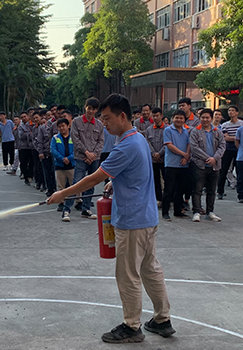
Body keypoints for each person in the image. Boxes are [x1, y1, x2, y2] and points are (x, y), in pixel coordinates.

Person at [47, 94, 174, 344]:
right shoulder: (137, 138)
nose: (103, 123)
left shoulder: (126, 145)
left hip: (132, 219)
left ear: (122, 116)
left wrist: (63, 193)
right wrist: (114, 182)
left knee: (128, 274)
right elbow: (133, 173)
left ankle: (132, 326)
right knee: (150, 269)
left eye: (106, 118)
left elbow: (94, 177)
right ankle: (162, 320)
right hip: (147, 217)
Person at [70, 97, 104, 219]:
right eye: (89, 108)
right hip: (81, 157)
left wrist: (93, 154)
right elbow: (75, 139)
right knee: (76, 182)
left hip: (94, 158)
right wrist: (86, 152)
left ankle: (86, 209)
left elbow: (101, 141)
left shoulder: (99, 124)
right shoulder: (76, 122)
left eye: (93, 109)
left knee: (91, 183)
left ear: (96, 110)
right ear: (85, 107)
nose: (91, 111)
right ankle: (66, 209)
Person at [189, 108, 225, 222]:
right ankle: (196, 211)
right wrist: (207, 158)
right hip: (200, 165)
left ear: (211, 118)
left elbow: (222, 146)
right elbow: (194, 147)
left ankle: (210, 212)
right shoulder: (195, 131)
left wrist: (214, 158)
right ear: (200, 118)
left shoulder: (217, 131)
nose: (205, 120)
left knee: (211, 190)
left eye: (207, 117)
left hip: (214, 165)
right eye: (203, 117)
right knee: (197, 189)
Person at [162, 110, 191, 220]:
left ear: (184, 120)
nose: (179, 120)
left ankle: (178, 211)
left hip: (183, 164)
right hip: (171, 164)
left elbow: (189, 144)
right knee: (169, 189)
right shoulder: (168, 130)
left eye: (181, 118)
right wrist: (184, 154)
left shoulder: (186, 131)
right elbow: (169, 145)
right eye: (177, 117)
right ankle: (165, 212)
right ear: (172, 118)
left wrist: (186, 157)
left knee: (180, 190)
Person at [51, 118, 76, 220]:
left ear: (68, 126)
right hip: (60, 165)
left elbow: (76, 149)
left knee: (74, 185)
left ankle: (78, 201)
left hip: (71, 165)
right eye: (59, 126)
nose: (61, 128)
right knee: (60, 185)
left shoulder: (73, 137)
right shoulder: (55, 138)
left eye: (63, 126)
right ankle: (61, 202)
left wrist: (69, 158)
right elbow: (53, 150)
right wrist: (62, 158)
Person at [218, 105, 243, 200]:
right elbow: (225, 138)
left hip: (239, 149)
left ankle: (240, 193)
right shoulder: (224, 125)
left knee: (240, 172)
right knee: (223, 170)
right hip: (227, 149)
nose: (231, 112)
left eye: (233, 110)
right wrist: (237, 138)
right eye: (229, 110)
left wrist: (232, 138)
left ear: (237, 112)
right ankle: (220, 191)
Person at [146, 107, 167, 204]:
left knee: (167, 179)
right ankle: (158, 199)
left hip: (165, 158)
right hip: (153, 159)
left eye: (157, 116)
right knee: (155, 180)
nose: (155, 118)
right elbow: (148, 143)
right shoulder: (149, 130)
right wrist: (153, 153)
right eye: (153, 116)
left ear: (161, 116)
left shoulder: (167, 129)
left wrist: (160, 153)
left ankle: (167, 199)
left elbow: (168, 143)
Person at [35, 109, 56, 196]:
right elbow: (39, 141)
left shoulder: (57, 126)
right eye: (48, 115)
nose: (50, 116)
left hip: (56, 154)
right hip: (46, 152)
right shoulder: (42, 128)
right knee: (47, 172)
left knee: (55, 172)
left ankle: (56, 188)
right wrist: (40, 152)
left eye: (51, 115)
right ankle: (50, 188)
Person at [17, 111, 34, 185]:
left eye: (25, 116)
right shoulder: (20, 127)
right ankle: (26, 177)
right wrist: (29, 134)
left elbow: (34, 134)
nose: (24, 118)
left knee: (31, 163)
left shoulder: (32, 125)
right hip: (23, 147)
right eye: (22, 117)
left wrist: (28, 134)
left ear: (28, 116)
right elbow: (21, 136)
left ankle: (30, 175)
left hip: (31, 147)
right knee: (23, 163)